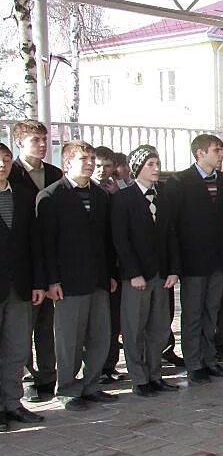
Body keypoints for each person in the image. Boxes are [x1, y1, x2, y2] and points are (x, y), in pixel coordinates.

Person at [36, 140, 118, 411]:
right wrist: (51, 280)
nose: (90, 163)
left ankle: (92, 385)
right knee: (69, 339)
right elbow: (46, 243)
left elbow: (106, 240)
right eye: (84, 158)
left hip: (97, 279)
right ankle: (68, 389)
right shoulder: (51, 196)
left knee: (99, 335)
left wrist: (110, 274)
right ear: (68, 162)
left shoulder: (99, 195)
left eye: (92, 158)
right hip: (68, 282)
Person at [162, 134, 223, 385]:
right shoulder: (179, 182)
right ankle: (194, 362)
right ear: (200, 153)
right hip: (193, 262)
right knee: (193, 313)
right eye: (217, 150)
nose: (221, 154)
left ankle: (210, 358)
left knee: (212, 311)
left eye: (221, 149)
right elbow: (172, 225)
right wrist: (176, 262)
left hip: (219, 261)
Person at [110, 147, 181, 397]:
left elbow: (172, 234)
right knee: (134, 327)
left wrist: (173, 269)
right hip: (137, 277)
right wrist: (133, 273)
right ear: (138, 167)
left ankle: (155, 374)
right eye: (151, 163)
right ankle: (139, 379)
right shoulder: (123, 198)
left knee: (159, 327)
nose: (156, 168)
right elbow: (121, 240)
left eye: (158, 162)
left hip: (161, 275)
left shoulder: (163, 197)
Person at [8, 120, 62, 403]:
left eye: (44, 139)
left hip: (51, 256)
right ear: (20, 143)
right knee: (22, 327)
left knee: (47, 324)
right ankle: (27, 378)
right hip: (23, 262)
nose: (42, 145)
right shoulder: (11, 173)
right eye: (35, 140)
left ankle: (47, 375)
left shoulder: (54, 173)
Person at [0, 142, 46, 430]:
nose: (2, 165)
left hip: (20, 286)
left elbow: (35, 244)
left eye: (5, 159)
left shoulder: (25, 196)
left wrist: (39, 282)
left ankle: (12, 403)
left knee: (17, 349)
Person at [92, 146, 125, 385]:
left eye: (107, 166)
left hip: (116, 267)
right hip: (91, 268)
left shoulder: (119, 190)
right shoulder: (85, 190)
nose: (103, 171)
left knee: (114, 321)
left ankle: (109, 365)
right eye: (99, 165)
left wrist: (116, 196)